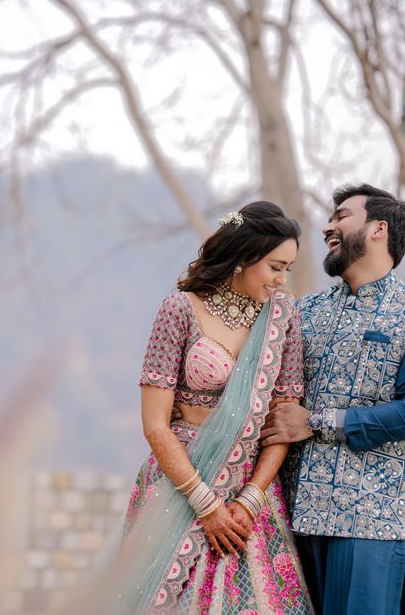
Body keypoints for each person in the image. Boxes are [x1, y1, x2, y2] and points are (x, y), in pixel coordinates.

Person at [91, 201, 314, 614]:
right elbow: (155, 425)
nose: (282, 279)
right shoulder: (179, 310)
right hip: (180, 483)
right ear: (244, 259)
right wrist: (205, 503)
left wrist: (249, 499)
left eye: (288, 268)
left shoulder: (285, 317)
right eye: (275, 266)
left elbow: (283, 421)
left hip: (250, 494)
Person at [260, 184, 405, 614]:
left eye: (341, 216)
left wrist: (317, 421)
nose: (328, 226)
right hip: (288, 520)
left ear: (379, 228)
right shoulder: (303, 310)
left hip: (367, 522)